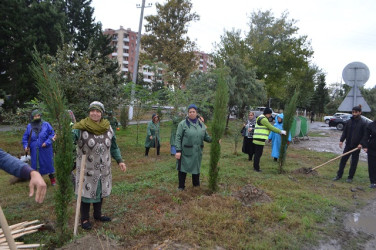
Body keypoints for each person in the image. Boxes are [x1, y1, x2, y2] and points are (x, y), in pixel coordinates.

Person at [72, 101, 126, 230]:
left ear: (102, 113)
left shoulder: (108, 128)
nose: (95, 113)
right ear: (89, 112)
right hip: (87, 169)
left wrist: (120, 160)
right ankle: (84, 218)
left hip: (103, 169)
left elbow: (113, 147)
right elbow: (70, 139)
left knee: (100, 191)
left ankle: (98, 214)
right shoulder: (80, 128)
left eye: (98, 111)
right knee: (85, 193)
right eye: (92, 111)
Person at [175, 104, 212, 190]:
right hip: (185, 151)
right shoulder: (182, 124)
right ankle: (181, 186)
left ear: (196, 113)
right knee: (183, 169)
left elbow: (206, 137)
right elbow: (178, 137)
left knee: (196, 168)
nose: (192, 113)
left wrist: (215, 140)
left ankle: (196, 185)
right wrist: (178, 150)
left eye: (193, 112)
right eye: (190, 112)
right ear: (188, 113)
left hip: (197, 152)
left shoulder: (201, 124)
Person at [332, 105, 367, 183]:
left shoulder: (363, 123)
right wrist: (341, 141)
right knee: (343, 160)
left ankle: (350, 177)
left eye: (356, 112)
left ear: (360, 113)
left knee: (354, 162)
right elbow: (345, 132)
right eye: (353, 112)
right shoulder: (349, 121)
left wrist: (361, 144)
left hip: (356, 146)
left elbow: (365, 135)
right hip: (348, 145)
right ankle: (339, 175)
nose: (354, 114)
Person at [22, 109, 56, 186]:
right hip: (34, 150)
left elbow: (52, 135)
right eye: (35, 116)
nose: (37, 117)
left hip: (46, 149)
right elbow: (25, 138)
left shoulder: (46, 124)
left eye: (38, 116)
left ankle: (53, 180)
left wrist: (47, 142)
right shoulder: (29, 126)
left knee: (48, 164)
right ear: (32, 117)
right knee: (36, 166)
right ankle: (39, 181)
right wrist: (25, 146)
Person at [252, 108, 286, 172]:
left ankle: (255, 167)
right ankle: (256, 168)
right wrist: (280, 131)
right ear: (267, 113)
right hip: (259, 138)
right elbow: (271, 127)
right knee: (258, 154)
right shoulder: (263, 119)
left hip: (257, 138)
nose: (270, 116)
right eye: (270, 114)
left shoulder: (260, 117)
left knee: (257, 154)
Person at [362, 118, 376, 188]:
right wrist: (365, 146)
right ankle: (373, 182)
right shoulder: (371, 125)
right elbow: (365, 136)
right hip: (372, 149)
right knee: (372, 166)